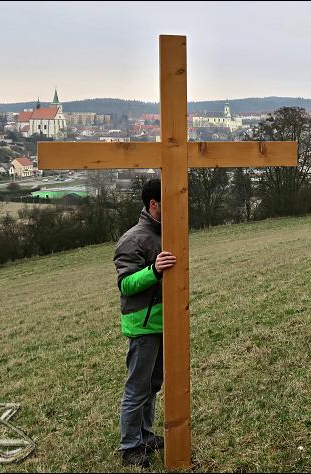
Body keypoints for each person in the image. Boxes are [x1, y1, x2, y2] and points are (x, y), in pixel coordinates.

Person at [113, 178, 176, 467]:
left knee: (152, 385)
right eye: (167, 203)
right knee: (137, 388)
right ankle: (130, 446)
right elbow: (125, 284)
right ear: (153, 204)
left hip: (166, 322)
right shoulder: (132, 239)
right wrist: (154, 270)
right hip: (143, 325)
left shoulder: (168, 233)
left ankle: (145, 435)